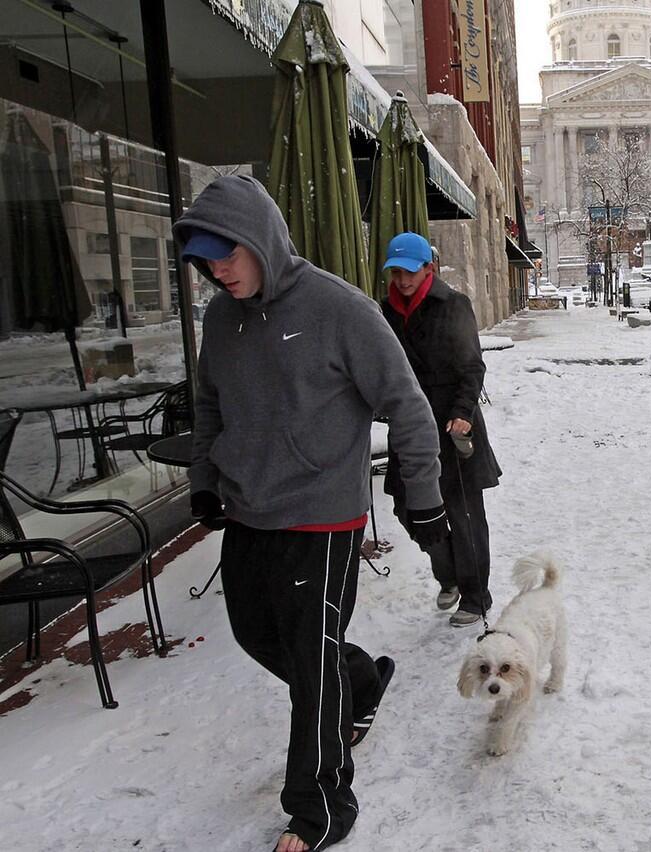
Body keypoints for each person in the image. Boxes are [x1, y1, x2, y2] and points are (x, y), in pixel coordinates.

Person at [174, 176, 449, 852]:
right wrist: (206, 476)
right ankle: (359, 678)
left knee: (307, 658)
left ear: (261, 240)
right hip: (249, 511)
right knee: (256, 635)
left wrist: (426, 497)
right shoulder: (221, 317)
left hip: (323, 516)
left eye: (228, 256)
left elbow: (408, 405)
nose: (218, 271)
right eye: (207, 261)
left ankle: (321, 805)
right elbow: (210, 403)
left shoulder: (338, 309)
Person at [379, 232, 502, 628]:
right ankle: (448, 570)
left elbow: (472, 366)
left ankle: (475, 595)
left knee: (463, 512)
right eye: (395, 272)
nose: (401, 280)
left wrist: (463, 412)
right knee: (407, 505)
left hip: (453, 424)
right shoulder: (385, 313)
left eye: (408, 272)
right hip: (410, 426)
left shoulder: (453, 306)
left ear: (428, 269)